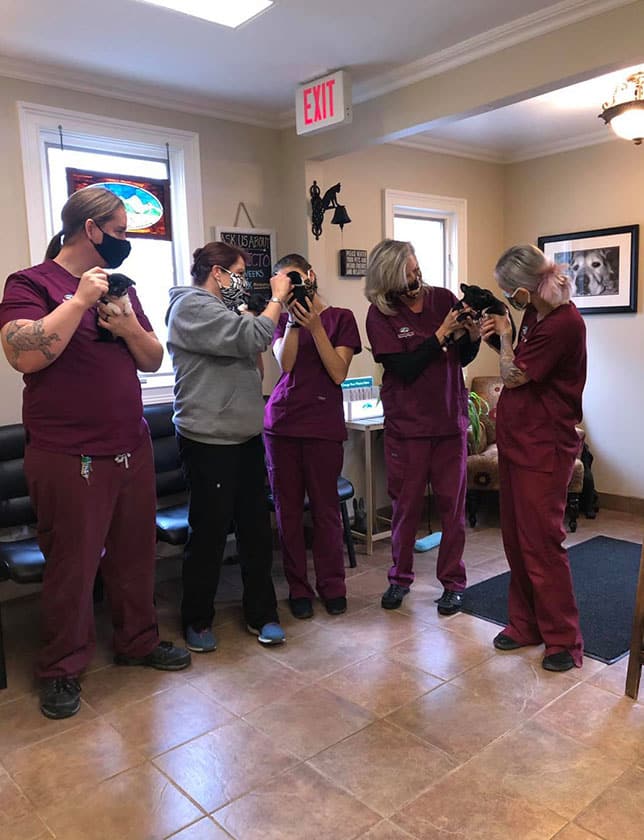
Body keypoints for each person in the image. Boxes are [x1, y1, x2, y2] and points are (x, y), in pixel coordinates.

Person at [0, 187, 191, 720]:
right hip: (67, 456)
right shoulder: (30, 283)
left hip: (130, 449)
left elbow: (153, 359)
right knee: (73, 567)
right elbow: (22, 353)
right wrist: (79, 302)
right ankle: (61, 669)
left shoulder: (123, 287)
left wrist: (127, 324)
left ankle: (138, 642)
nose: (124, 241)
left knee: (134, 558)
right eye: (121, 230)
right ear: (92, 229)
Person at [166, 241, 292, 651]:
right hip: (208, 440)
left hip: (245, 437)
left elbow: (251, 348)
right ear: (216, 273)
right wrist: (276, 297)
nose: (242, 281)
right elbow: (256, 337)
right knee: (210, 533)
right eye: (237, 272)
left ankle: (263, 614)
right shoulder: (190, 307)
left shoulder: (224, 311)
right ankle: (197, 619)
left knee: (256, 531)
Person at [481, 244, 586, 672]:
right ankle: (525, 624)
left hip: (545, 446)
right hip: (517, 441)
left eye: (509, 290)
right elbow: (519, 363)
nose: (507, 297)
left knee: (542, 543)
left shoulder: (564, 322)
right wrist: (497, 335)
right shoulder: (536, 313)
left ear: (524, 288)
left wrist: (504, 335)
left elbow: (516, 374)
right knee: (516, 539)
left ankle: (563, 638)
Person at [365, 239, 480, 613]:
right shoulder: (379, 315)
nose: (418, 278)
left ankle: (453, 582)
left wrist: (473, 335)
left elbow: (461, 357)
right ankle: (399, 579)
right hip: (407, 428)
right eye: (409, 274)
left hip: (449, 422)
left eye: (418, 270)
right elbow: (404, 369)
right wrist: (440, 334)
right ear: (390, 278)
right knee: (406, 509)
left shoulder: (443, 298)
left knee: (452, 509)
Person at [264, 254, 362, 619]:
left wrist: (316, 326)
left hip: (322, 426)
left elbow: (338, 372)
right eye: (283, 283)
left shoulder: (341, 319)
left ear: (311, 275)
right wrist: (292, 320)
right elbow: (285, 365)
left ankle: (332, 586)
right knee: (287, 513)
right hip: (282, 426)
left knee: (326, 512)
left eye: (294, 279)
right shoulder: (280, 320)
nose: (291, 287)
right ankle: (298, 589)